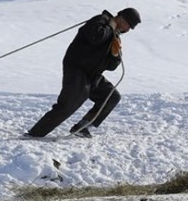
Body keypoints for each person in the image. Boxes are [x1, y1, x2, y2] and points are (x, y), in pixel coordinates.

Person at [26, 7, 141, 138]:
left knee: (111, 96)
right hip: (77, 69)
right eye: (128, 25)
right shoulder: (100, 20)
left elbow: (111, 67)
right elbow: (96, 37)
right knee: (69, 104)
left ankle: (83, 126)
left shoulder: (114, 35)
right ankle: (35, 133)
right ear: (121, 18)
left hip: (93, 74)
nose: (127, 30)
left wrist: (115, 55)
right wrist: (110, 27)